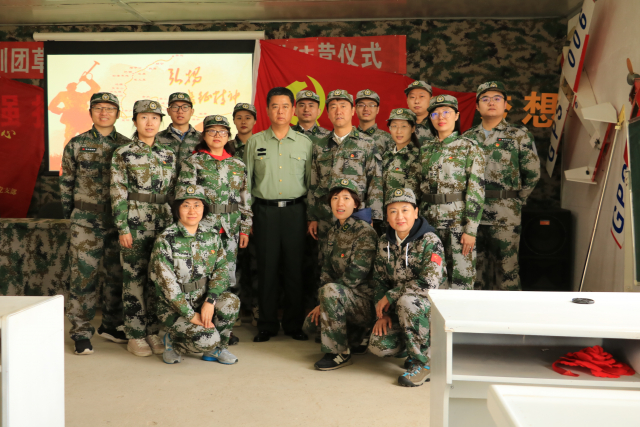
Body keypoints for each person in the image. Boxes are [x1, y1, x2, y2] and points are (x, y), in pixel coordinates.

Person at [61, 92, 130, 355]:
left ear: (118, 114)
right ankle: (81, 331)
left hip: (117, 220)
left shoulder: (126, 145)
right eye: (98, 108)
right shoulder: (77, 144)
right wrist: (71, 216)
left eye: (109, 108)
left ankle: (111, 325)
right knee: (83, 276)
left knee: (116, 275)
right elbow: (66, 182)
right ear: (90, 112)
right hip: (85, 221)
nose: (104, 113)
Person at [244, 87, 313, 342]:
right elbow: (246, 184)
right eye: (275, 106)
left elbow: (311, 183)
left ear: (293, 110)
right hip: (264, 212)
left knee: (295, 269)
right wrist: (247, 217)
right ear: (267, 110)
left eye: (285, 106)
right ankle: (267, 324)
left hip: (296, 211)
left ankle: (294, 324)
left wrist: (310, 216)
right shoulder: (255, 142)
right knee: (266, 269)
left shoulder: (305, 143)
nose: (280, 111)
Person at [111, 99, 177, 357]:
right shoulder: (123, 153)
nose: (150, 123)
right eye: (144, 118)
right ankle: (135, 334)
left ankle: (152, 331)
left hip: (163, 222)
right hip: (135, 222)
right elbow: (117, 192)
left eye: (155, 118)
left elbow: (174, 192)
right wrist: (122, 227)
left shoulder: (168, 154)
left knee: (158, 278)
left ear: (160, 121)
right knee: (134, 278)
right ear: (135, 121)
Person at [178, 115, 252, 344]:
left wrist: (245, 228)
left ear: (228, 136)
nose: (217, 135)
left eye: (222, 132)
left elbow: (245, 198)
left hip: (230, 229)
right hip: (203, 228)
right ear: (204, 135)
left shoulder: (237, 164)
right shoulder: (194, 162)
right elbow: (185, 197)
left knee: (227, 277)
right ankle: (198, 327)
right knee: (200, 277)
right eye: (212, 131)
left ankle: (223, 329)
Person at [149, 185, 240, 365]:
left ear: (204, 209)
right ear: (177, 209)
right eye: (186, 205)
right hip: (174, 308)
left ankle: (216, 348)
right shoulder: (165, 239)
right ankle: (173, 341)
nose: (192, 211)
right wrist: (191, 315)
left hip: (202, 300)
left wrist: (210, 301)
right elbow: (168, 287)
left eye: (197, 205)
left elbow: (221, 270)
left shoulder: (212, 235)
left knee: (231, 302)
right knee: (206, 339)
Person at [463, 81, 540, 291]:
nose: (491, 103)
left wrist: (516, 200)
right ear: (477, 106)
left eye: (497, 98)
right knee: (474, 271)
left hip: (505, 214)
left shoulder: (519, 135)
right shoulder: (467, 138)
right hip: (473, 216)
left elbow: (532, 173)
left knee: (507, 271)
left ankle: (510, 312)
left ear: (505, 104)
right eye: (485, 99)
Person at [369, 188, 446, 387]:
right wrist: (382, 314)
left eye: (405, 210)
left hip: (428, 311)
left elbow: (429, 283)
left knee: (407, 301)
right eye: (393, 211)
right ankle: (411, 349)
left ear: (416, 212)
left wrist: (392, 295)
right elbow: (378, 279)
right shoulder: (384, 242)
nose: (399, 216)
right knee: (378, 345)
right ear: (387, 216)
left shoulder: (430, 241)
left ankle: (423, 364)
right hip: (401, 311)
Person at [307, 89, 383, 278]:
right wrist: (312, 216)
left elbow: (375, 181)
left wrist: (373, 216)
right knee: (325, 262)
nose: (338, 111)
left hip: (357, 216)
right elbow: (314, 182)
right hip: (326, 217)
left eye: (343, 106)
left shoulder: (366, 143)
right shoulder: (320, 145)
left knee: (357, 264)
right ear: (327, 113)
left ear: (352, 111)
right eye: (333, 107)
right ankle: (327, 296)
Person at [303, 179, 378, 371]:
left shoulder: (364, 232)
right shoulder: (333, 231)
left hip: (366, 303)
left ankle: (338, 353)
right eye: (335, 198)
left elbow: (356, 275)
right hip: (344, 297)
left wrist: (328, 296)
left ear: (356, 203)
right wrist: (322, 301)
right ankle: (356, 336)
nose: (340, 203)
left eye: (346, 198)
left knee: (329, 293)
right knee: (308, 325)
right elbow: (326, 271)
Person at [419, 95, 485, 290]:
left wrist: (470, 230)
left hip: (458, 223)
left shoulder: (469, 147)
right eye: (435, 113)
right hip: (429, 223)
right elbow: (418, 186)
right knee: (432, 277)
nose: (441, 117)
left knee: (461, 279)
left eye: (446, 112)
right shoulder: (425, 149)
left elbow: (476, 190)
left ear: (456, 116)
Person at [381, 108, 422, 229]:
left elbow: (412, 194)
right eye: (394, 126)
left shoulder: (417, 156)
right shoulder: (386, 155)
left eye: (404, 126)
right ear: (389, 128)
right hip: (384, 219)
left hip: (403, 220)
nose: (398, 131)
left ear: (413, 128)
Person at [48, 75, 101, 146]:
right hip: (72, 119)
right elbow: (51, 106)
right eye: (70, 87)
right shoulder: (63, 95)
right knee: (70, 139)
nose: (72, 88)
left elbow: (96, 88)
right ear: (67, 88)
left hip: (83, 119)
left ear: (75, 88)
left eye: (73, 87)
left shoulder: (82, 96)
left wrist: (86, 80)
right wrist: (62, 110)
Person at [155, 92, 201, 171]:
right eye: (175, 107)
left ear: (192, 111)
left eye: (185, 107)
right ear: (168, 111)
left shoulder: (202, 139)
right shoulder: (156, 138)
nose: (180, 111)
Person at [355, 89, 392, 155]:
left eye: (371, 105)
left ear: (377, 109)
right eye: (361, 105)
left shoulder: (388, 139)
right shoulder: (348, 137)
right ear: (356, 109)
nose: (366, 109)